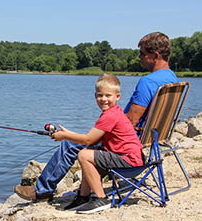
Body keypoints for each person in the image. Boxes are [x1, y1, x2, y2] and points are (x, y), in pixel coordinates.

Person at [14, 32, 179, 202]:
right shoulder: (172, 77)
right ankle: (82, 192)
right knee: (83, 139)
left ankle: (42, 190)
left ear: (155, 56)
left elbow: (131, 121)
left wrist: (105, 126)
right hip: (155, 136)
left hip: (127, 141)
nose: (140, 57)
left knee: (69, 145)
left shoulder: (148, 82)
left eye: (143, 53)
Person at [50, 74, 143, 213]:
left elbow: (88, 138)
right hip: (132, 158)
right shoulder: (113, 112)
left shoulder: (110, 115)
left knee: (84, 155)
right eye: (100, 95)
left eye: (108, 95)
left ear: (117, 97)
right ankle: (83, 196)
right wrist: (69, 133)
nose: (103, 99)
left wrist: (64, 136)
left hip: (129, 161)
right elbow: (91, 139)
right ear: (95, 96)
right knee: (90, 150)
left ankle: (101, 198)